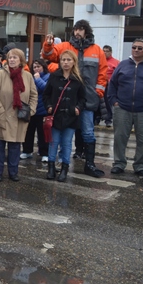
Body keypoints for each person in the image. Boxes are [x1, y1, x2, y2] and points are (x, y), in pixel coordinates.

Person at [43, 20, 108, 178]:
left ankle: (89, 165)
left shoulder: (97, 50)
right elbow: (48, 57)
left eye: (81, 29)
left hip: (88, 99)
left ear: (87, 31)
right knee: (60, 135)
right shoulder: (65, 46)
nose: (77, 32)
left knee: (87, 133)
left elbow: (102, 74)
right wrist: (48, 45)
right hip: (66, 99)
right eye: (76, 29)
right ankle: (58, 163)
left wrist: (98, 93)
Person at [108, 39, 143, 177]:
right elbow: (112, 84)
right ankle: (119, 163)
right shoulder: (122, 65)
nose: (136, 50)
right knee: (120, 137)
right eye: (134, 47)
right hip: (122, 108)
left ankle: (140, 166)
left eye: (140, 48)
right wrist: (114, 101)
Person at [0, 48, 38, 182]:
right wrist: (0, 111)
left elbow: (34, 95)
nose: (12, 60)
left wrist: (31, 110)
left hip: (19, 117)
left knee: (15, 147)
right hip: (1, 116)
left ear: (21, 60)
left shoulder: (27, 76)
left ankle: (13, 173)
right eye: (10, 57)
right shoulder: (0, 74)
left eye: (15, 57)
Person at [43, 50, 86, 182]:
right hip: (55, 115)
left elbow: (83, 98)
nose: (65, 63)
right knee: (53, 142)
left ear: (74, 62)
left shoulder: (78, 79)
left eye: (68, 60)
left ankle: (64, 169)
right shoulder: (54, 76)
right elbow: (46, 94)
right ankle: (51, 168)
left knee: (67, 143)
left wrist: (78, 108)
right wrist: (49, 106)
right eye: (63, 60)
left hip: (71, 116)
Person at [21, 59, 50, 162]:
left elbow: (47, 90)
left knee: (42, 134)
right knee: (28, 132)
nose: (36, 69)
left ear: (43, 67)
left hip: (43, 110)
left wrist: (38, 80)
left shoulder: (48, 77)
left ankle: (44, 153)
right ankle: (27, 151)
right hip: (31, 109)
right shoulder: (30, 77)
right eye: (34, 67)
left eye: (38, 66)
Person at [103, 45, 119, 127]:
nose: (105, 53)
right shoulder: (100, 61)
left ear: (111, 52)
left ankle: (108, 119)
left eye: (107, 51)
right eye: (104, 51)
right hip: (100, 84)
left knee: (108, 103)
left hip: (110, 85)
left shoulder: (116, 62)